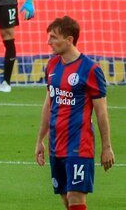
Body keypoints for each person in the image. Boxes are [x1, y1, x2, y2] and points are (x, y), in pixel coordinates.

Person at [35, 16, 115, 210]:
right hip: (56, 145)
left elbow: (101, 112)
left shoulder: (90, 69)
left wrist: (106, 147)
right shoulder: (52, 65)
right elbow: (49, 103)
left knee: (76, 197)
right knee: (65, 198)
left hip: (80, 146)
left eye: (54, 37)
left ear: (69, 40)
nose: (49, 42)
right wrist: (40, 140)